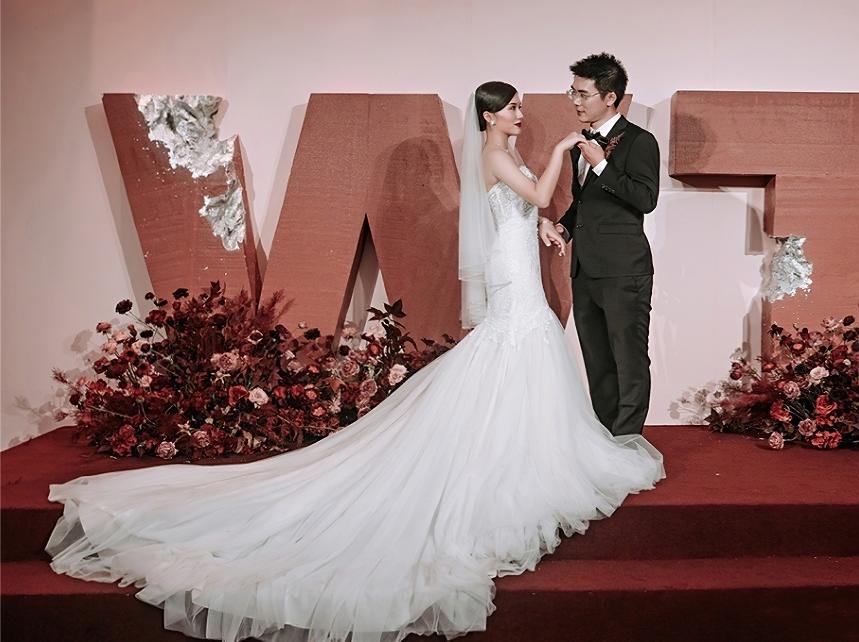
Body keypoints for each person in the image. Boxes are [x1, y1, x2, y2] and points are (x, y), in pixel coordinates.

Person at [45, 81, 664, 642]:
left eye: (521, 106)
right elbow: (538, 191)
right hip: (512, 274)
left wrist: (547, 228)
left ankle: (521, 445)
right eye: (512, 107)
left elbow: (527, 208)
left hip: (519, 258)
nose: (521, 112)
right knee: (516, 343)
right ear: (488, 116)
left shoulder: (505, 153)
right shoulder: (496, 154)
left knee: (521, 348)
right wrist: (561, 150)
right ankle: (506, 454)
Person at [555, 52, 661, 438]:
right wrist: (563, 227)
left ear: (610, 97)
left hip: (624, 271)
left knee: (629, 361)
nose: (576, 101)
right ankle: (606, 441)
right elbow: (584, 203)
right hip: (584, 270)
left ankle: (628, 443)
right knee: (597, 363)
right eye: (573, 92)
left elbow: (645, 199)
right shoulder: (578, 145)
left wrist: (602, 164)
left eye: (583, 94)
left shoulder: (640, 141)